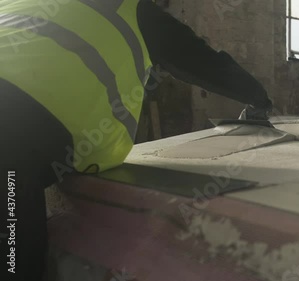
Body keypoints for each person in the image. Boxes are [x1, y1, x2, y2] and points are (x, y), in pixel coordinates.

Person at [0, 0, 272, 280]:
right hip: (12, 138)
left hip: (16, 136)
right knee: (14, 259)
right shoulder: (132, 10)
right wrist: (258, 99)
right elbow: (204, 63)